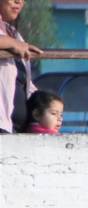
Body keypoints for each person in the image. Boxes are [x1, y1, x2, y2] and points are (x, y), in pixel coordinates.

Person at [0, 0, 40, 134]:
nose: (19, 2)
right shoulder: (12, 40)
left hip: (15, 130)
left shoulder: (14, 34)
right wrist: (11, 43)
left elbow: (25, 83)